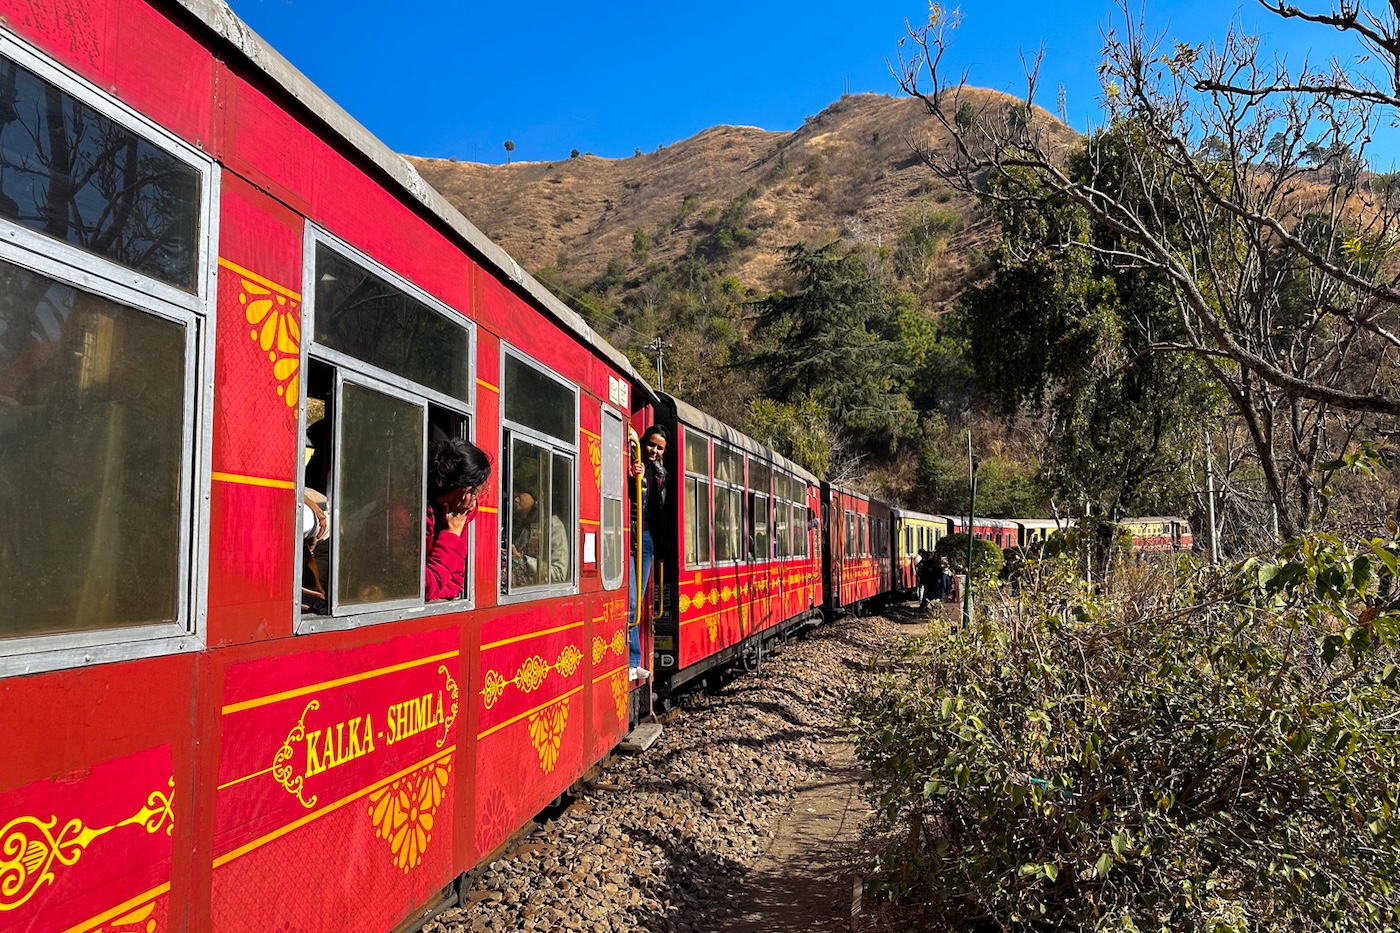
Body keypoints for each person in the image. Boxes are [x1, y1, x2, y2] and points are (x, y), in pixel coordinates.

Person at [425, 437, 491, 601]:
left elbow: (453, 585)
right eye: (480, 491)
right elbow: (422, 588)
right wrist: (452, 535)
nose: (477, 500)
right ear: (465, 492)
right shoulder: (408, 516)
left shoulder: (457, 515)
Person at [627, 425, 668, 681]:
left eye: (659, 447)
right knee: (631, 601)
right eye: (651, 444)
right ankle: (631, 660)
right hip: (631, 532)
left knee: (638, 602)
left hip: (649, 538)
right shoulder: (634, 461)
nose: (653, 450)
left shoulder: (662, 473)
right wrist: (633, 477)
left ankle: (634, 659)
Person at [510, 488, 569, 585]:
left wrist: (522, 559)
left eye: (522, 490)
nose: (515, 495)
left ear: (536, 496)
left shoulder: (553, 525)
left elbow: (558, 574)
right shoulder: (519, 524)